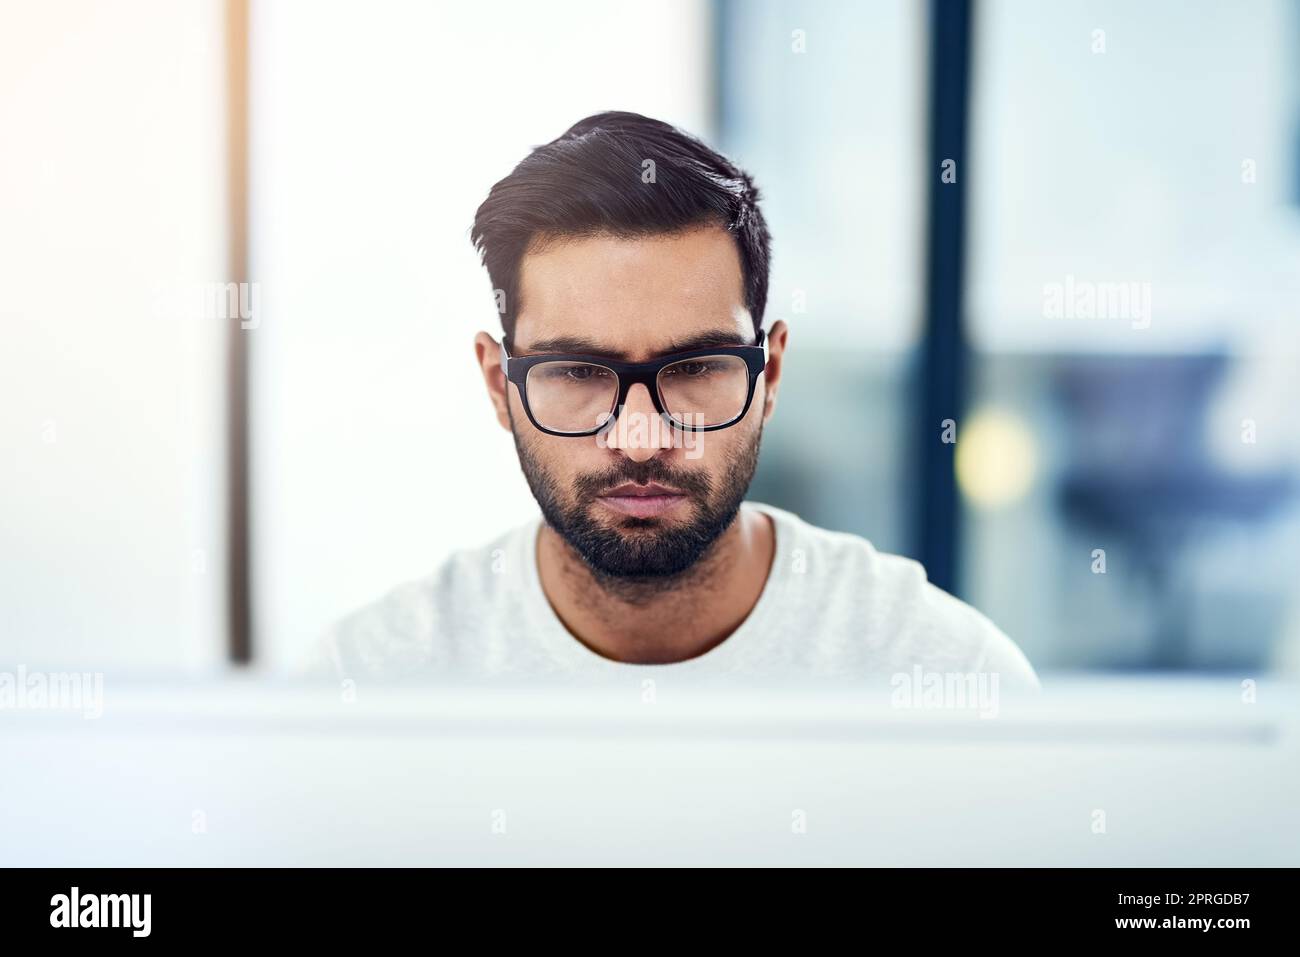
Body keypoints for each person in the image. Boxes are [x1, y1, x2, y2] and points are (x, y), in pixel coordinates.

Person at [311, 111, 1038, 689]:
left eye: (693, 366)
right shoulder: (373, 683)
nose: (640, 437)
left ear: (771, 374)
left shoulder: (945, 676)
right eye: (576, 371)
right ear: (500, 385)